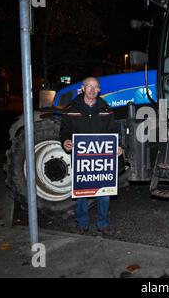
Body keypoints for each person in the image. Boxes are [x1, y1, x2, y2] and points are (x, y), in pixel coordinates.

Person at [60, 77, 123, 236]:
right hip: (82, 158)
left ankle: (103, 223)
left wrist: (118, 146)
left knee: (104, 193)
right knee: (81, 193)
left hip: (102, 159)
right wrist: (65, 141)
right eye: (89, 86)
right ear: (82, 88)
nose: (92, 90)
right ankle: (82, 224)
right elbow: (64, 130)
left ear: (99, 90)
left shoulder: (106, 109)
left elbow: (114, 131)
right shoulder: (71, 108)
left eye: (95, 87)